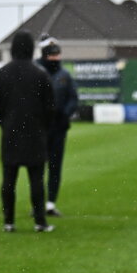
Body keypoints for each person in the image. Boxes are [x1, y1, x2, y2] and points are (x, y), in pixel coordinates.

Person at [0, 31, 56, 234]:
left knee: (8, 179)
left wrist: (5, 123)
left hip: (10, 133)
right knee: (36, 180)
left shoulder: (1, 74)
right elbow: (50, 107)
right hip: (35, 133)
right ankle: (40, 222)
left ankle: (8, 222)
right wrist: (42, 126)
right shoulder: (40, 74)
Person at [37, 38, 78, 216]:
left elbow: (73, 98)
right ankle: (37, 203)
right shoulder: (37, 73)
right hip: (40, 127)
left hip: (59, 127)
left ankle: (50, 204)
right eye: (52, 55)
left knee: (55, 167)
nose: (55, 58)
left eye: (57, 54)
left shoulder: (64, 75)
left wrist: (65, 114)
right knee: (37, 167)